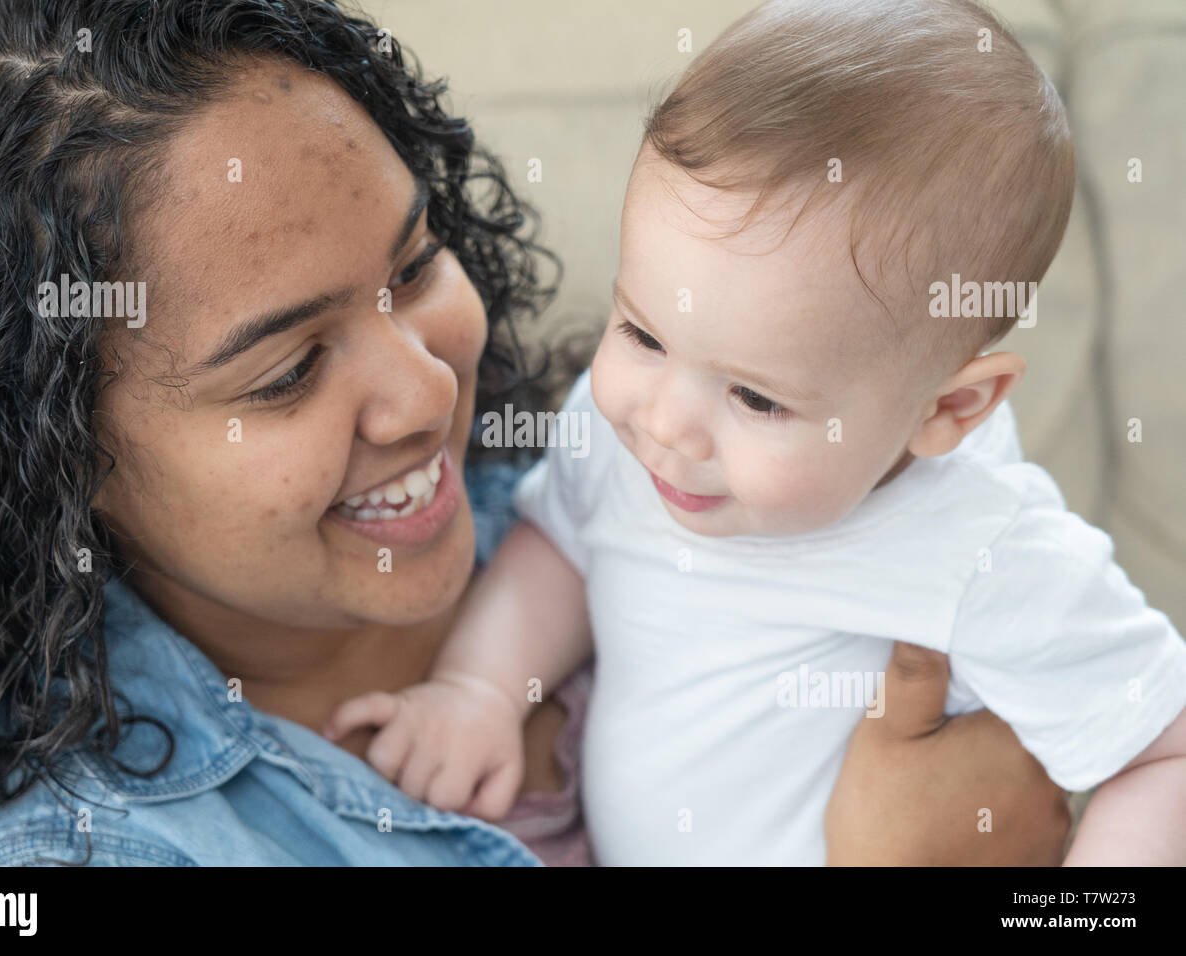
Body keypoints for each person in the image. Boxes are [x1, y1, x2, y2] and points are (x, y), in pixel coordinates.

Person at [0, 0, 1068, 867]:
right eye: (288, 370)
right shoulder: (72, 858)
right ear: (45, 454)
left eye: (413, 263)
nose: (424, 392)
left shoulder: (646, 467)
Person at [324, 0, 1186, 865]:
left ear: (946, 412)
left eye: (758, 400)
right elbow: (561, 541)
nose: (664, 424)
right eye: (642, 334)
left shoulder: (985, 552)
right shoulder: (628, 431)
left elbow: (1165, 752)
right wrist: (480, 690)